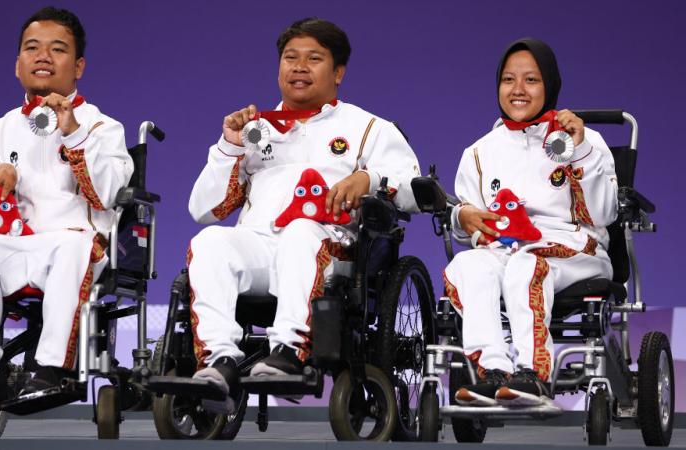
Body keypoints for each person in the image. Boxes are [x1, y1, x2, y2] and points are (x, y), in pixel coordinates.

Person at [187, 18, 421, 411]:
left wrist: (368, 177)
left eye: (314, 58)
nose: (299, 67)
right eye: (290, 58)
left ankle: (288, 353)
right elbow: (203, 210)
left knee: (300, 232)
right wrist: (229, 146)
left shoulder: (369, 128)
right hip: (261, 247)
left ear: (338, 72)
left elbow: (413, 191)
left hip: (333, 249)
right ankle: (218, 361)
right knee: (209, 242)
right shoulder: (254, 129)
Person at [0, 6, 132, 406]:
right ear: (17, 65)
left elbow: (110, 194)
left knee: (71, 246)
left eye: (57, 49)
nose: (43, 56)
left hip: (73, 243)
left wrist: (73, 136)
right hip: (11, 242)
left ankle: (51, 370)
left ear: (78, 66)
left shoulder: (101, 126)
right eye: (32, 48)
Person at [444, 38, 618, 406]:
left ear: (550, 85)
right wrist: (463, 216)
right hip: (508, 250)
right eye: (509, 80)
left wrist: (580, 151)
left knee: (527, 264)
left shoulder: (584, 140)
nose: (518, 90)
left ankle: (534, 375)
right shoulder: (479, 151)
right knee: (468, 265)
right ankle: (494, 372)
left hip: (574, 250)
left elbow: (604, 214)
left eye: (531, 80)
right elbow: (468, 224)